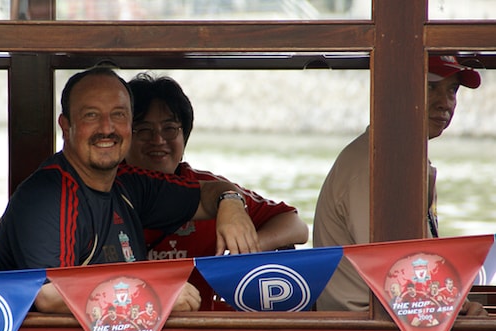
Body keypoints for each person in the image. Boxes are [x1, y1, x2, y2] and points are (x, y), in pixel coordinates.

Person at [0, 66, 260, 313]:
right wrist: (155, 292)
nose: (106, 129)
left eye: (118, 115)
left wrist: (231, 202)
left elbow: (208, 194)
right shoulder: (48, 196)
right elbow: (49, 295)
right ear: (66, 126)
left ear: (130, 125)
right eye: (91, 115)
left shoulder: (128, 183)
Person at [313, 55, 486, 315]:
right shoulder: (377, 163)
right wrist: (458, 309)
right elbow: (397, 269)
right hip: (366, 330)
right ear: (397, 92)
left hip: (389, 319)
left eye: (452, 90)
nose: (445, 103)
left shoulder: (399, 155)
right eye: (431, 87)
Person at [124, 72, 309, 310]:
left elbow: (296, 225)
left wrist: (244, 249)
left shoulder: (211, 191)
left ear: (185, 137)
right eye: (144, 130)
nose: (158, 140)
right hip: (124, 328)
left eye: (170, 128)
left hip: (201, 329)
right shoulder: (106, 191)